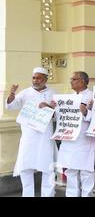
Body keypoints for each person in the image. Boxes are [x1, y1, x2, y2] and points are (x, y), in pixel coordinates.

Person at [5, 67, 57, 197]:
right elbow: (11, 106)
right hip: (28, 136)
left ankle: (48, 194)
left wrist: (48, 107)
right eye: (34, 77)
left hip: (45, 136)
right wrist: (11, 95)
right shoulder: (25, 92)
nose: (35, 80)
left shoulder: (53, 93)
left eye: (39, 78)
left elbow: (58, 114)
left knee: (47, 167)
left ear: (45, 79)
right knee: (25, 166)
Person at [56, 71, 95, 197]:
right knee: (71, 171)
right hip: (69, 140)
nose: (71, 81)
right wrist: (52, 108)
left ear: (83, 81)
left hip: (85, 139)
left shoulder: (92, 96)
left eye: (74, 79)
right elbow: (60, 116)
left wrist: (85, 113)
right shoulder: (69, 98)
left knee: (86, 172)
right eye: (71, 79)